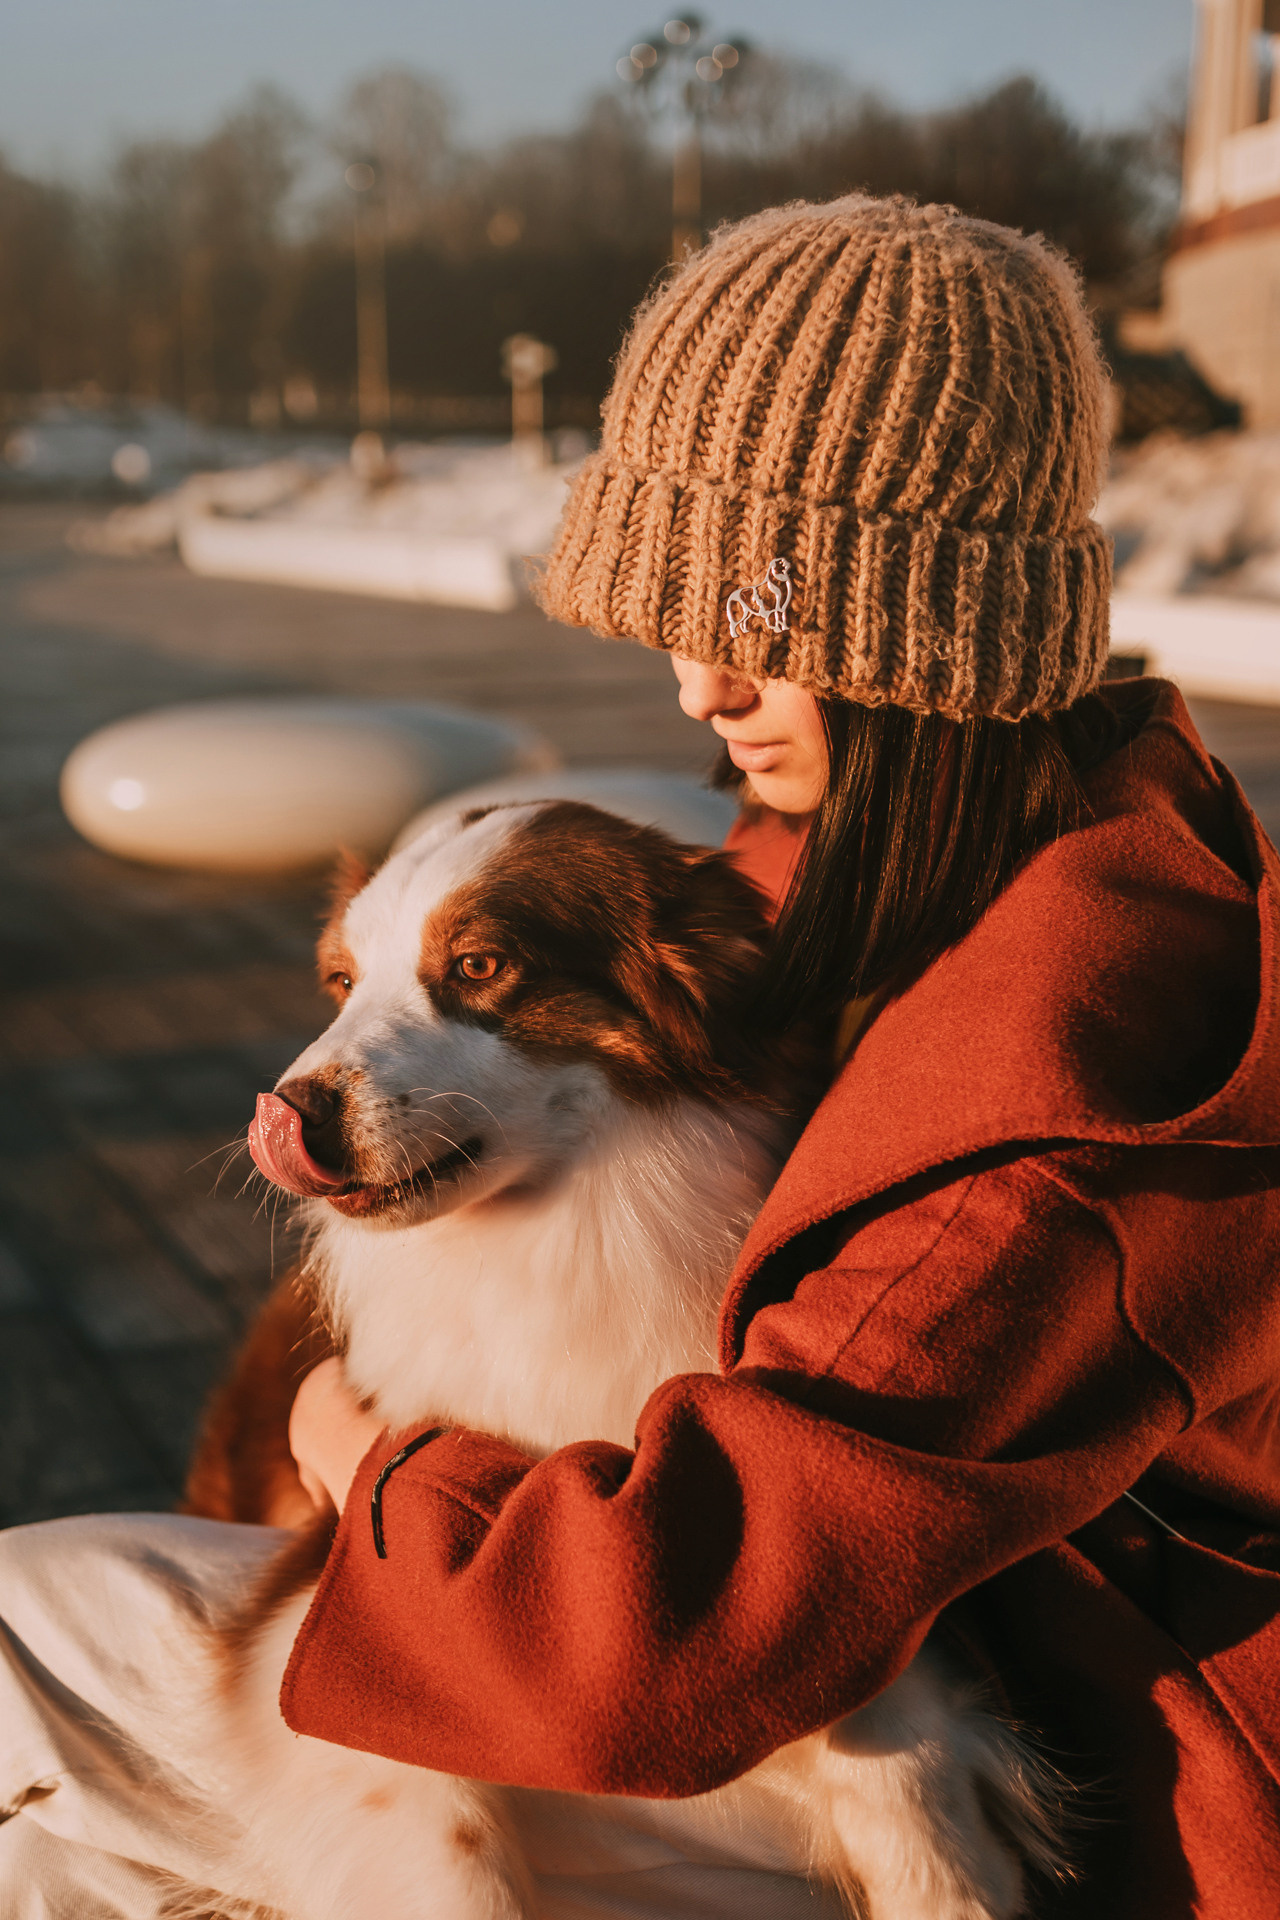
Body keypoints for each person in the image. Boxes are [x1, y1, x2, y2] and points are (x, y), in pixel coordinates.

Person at [3, 193, 1279, 1918]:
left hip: (1093, 1805)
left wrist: (368, 1462)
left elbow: (670, 1643)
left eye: (753, 620)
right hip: (854, 1671)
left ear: (920, 632)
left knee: (33, 1651)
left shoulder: (1076, 1095)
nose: (697, 687)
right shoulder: (935, 861)